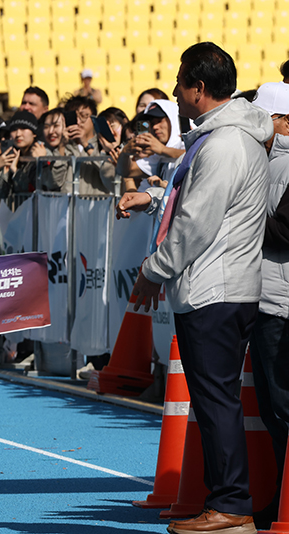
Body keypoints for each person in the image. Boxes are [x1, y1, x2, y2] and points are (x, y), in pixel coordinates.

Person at [118, 42, 273, 534]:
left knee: (216, 401)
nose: (177, 97)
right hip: (216, 285)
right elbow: (193, 200)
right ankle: (227, 502)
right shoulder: (220, 138)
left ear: (199, 89)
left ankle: (231, 505)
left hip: (216, 288)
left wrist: (153, 268)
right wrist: (155, 196)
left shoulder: (225, 143)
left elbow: (196, 223)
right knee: (215, 400)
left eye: (181, 85)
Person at [245, 81, 289, 530]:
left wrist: (243, 215)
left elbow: (287, 232)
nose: (256, 124)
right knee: (272, 410)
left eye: (265, 116)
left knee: (281, 407)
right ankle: (280, 502)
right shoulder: (263, 160)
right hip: (265, 297)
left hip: (280, 302)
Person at [120, 100, 185, 192]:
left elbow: (194, 154)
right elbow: (126, 171)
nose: (155, 127)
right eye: (152, 123)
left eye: (159, 121)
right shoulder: (157, 153)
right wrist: (124, 153)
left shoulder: (187, 143)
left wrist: (163, 149)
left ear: (173, 119)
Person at [0, 111, 42, 204]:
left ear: (34, 133)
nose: (18, 134)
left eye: (24, 128)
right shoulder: (13, 155)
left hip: (42, 214)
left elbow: (38, 188)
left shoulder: (42, 152)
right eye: (14, 129)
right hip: (21, 214)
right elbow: (0, 194)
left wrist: (16, 172)